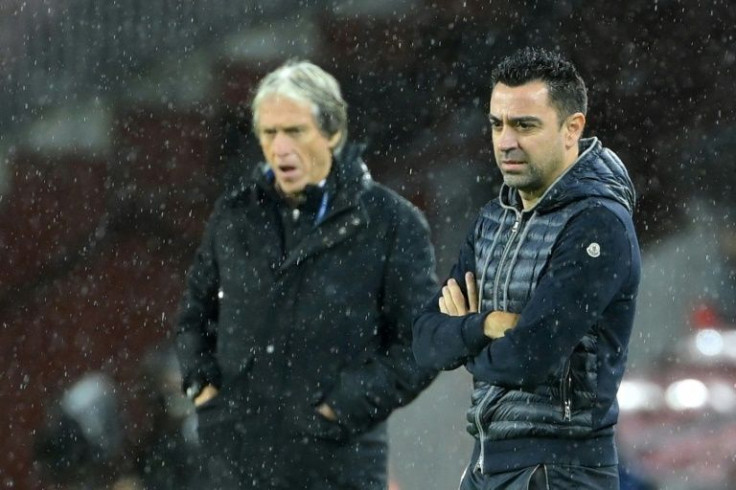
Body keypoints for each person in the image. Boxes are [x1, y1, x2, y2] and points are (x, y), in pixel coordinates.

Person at [174, 60, 438, 489]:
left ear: (332, 132)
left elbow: (423, 344)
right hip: (238, 469)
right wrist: (206, 393)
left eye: (294, 131)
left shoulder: (392, 224)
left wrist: (342, 407)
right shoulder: (234, 218)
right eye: (269, 133)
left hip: (338, 468)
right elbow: (193, 317)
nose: (280, 148)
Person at [412, 47, 641, 489]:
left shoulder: (597, 224)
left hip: (560, 470)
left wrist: (463, 336)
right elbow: (424, 340)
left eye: (524, 125)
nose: (505, 141)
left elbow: (528, 358)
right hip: (486, 462)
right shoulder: (491, 219)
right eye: (497, 124)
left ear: (572, 129)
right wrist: (489, 325)